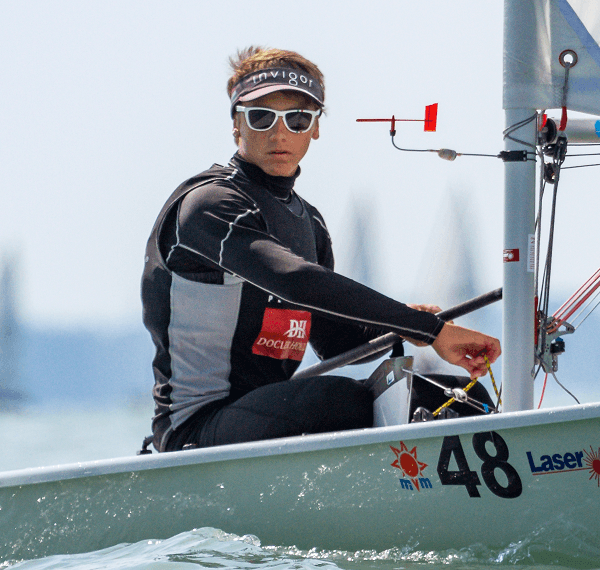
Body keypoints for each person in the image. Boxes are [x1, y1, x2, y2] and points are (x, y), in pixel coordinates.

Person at [141, 47, 501, 452]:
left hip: (268, 415)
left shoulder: (308, 223)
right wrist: (427, 329)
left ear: (314, 128)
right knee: (338, 399)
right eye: (261, 117)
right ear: (236, 125)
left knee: (457, 395)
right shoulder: (210, 204)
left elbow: (335, 342)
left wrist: (403, 325)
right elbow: (294, 281)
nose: (280, 133)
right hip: (196, 429)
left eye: (297, 119)